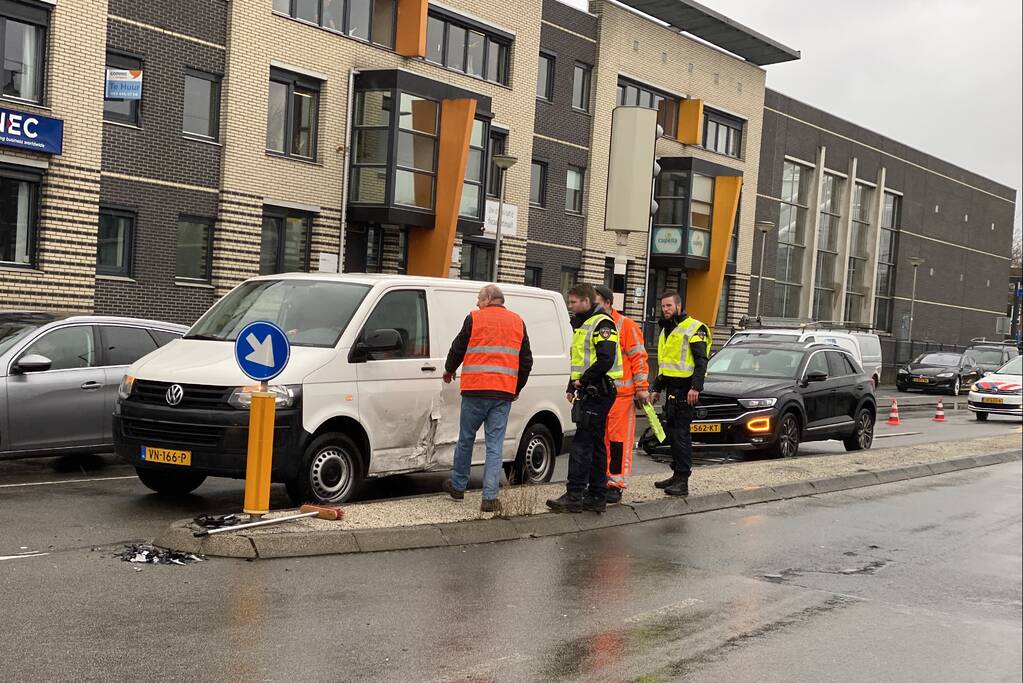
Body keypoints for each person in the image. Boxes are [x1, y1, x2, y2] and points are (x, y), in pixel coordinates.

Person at [442, 284, 533, 513]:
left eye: (479, 299)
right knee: (495, 445)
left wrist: (449, 369)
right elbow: (526, 361)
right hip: (502, 393)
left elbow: (458, 347)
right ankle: (490, 498)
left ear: (490, 299)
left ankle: (458, 486)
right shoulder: (518, 321)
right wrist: (516, 387)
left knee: (466, 439)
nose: (476, 303)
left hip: (475, 391)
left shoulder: (474, 319)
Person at [546, 283, 622, 514]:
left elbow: (605, 359)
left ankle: (575, 495)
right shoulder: (584, 324)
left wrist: (583, 381)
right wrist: (572, 384)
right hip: (591, 389)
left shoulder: (602, 324)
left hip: (598, 390)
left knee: (581, 444)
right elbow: (580, 359)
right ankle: (596, 495)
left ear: (587, 302)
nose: (570, 306)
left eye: (573, 302)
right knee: (596, 444)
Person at [650, 290, 710, 497]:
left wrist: (696, 387)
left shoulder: (693, 328)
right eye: (663, 306)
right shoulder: (667, 329)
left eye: (669, 306)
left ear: (679, 306)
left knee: (682, 435)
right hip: (672, 390)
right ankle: (676, 475)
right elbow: (666, 364)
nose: (665, 309)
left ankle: (682, 480)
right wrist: (657, 388)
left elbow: (701, 360)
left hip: (686, 390)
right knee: (674, 435)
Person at [593, 285, 649, 504]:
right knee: (601, 441)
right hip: (601, 394)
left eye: (597, 302)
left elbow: (639, 358)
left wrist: (642, 387)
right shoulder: (595, 325)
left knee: (617, 442)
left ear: (608, 302)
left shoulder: (625, 325)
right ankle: (602, 480)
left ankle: (615, 484)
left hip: (622, 395)